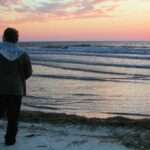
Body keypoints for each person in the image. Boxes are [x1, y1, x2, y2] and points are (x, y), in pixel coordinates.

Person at [0, 27, 32, 146]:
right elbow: (28, 72)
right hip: (16, 89)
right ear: (16, 38)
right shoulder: (22, 53)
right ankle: (10, 140)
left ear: (4, 37)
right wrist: (18, 80)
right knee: (13, 117)